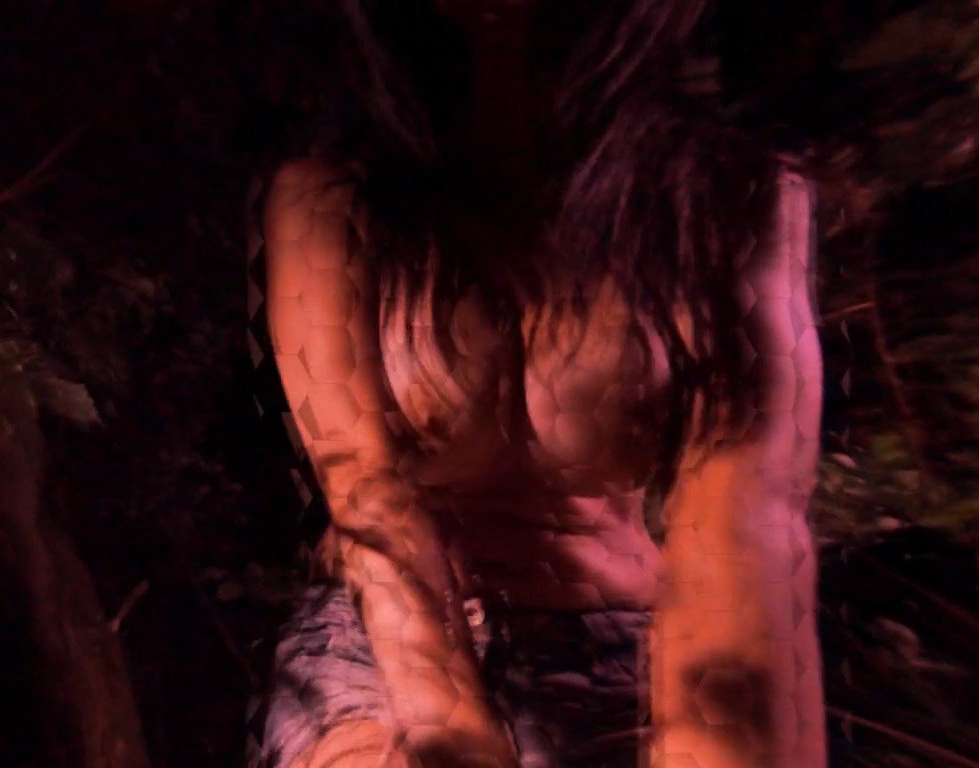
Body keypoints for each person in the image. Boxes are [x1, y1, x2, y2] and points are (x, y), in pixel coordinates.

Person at [250, 1, 825, 766]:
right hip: (383, 645)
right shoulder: (332, 203)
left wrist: (718, 735)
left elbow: (742, 516)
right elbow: (365, 492)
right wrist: (452, 736)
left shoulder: (724, 199)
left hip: (620, 638)